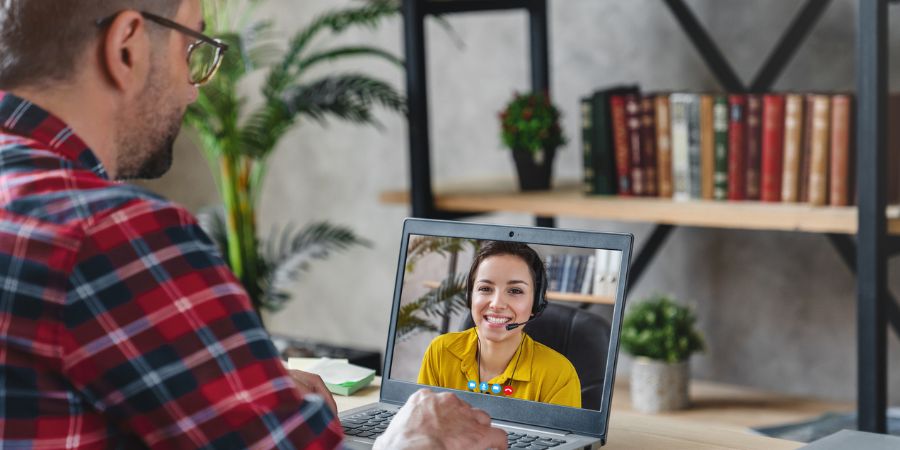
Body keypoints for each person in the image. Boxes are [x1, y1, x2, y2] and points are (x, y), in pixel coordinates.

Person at [0, 1, 507, 449]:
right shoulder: (114, 234)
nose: (193, 93)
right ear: (128, 46)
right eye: (191, 52)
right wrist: (414, 440)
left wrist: (226, 387)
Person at [417, 241, 582, 408]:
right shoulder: (441, 353)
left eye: (515, 291)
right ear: (470, 296)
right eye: (485, 288)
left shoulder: (559, 375)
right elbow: (422, 426)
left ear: (536, 304)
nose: (496, 304)